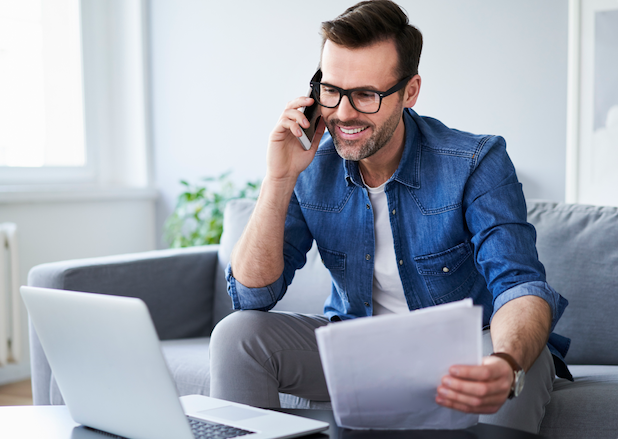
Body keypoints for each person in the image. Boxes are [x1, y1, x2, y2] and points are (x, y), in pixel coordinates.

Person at [209, 0, 570, 434]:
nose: (343, 113)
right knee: (236, 336)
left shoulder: (475, 161)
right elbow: (252, 298)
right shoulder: (311, 168)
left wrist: (505, 362)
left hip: (472, 347)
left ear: (410, 92)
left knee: (516, 374)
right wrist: (279, 177)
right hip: (359, 346)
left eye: (365, 95)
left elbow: (520, 284)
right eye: (331, 90)